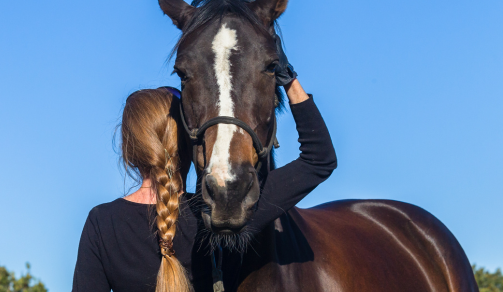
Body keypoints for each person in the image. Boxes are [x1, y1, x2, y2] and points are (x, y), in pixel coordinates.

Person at [72, 63, 337, 291]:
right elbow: (319, 159)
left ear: (130, 153)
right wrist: (287, 78)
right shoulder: (223, 210)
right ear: (190, 145)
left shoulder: (102, 223)